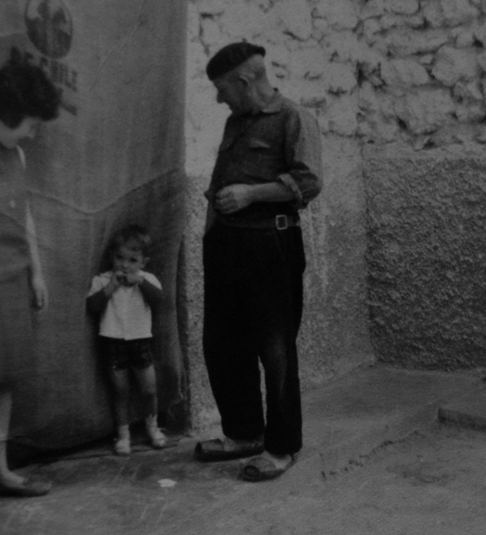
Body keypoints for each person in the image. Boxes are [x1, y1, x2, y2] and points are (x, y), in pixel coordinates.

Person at [195, 41, 323, 481]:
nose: (218, 98)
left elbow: (309, 181)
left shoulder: (294, 118)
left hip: (272, 246)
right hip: (227, 246)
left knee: (275, 350)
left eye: (221, 89)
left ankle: (282, 446)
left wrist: (251, 194)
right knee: (223, 345)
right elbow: (218, 184)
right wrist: (210, 235)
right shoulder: (236, 122)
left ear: (244, 81)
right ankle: (243, 433)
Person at [0, 49, 61, 496]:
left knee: (5, 379)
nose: (35, 134)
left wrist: (36, 271)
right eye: (33, 124)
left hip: (14, 280)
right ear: (11, 112)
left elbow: (27, 216)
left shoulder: (14, 156)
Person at [86, 225, 167, 456]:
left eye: (132, 260)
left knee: (149, 388)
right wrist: (111, 286)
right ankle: (123, 436)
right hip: (113, 341)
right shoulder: (102, 280)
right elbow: (93, 306)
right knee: (120, 389)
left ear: (143, 262)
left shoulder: (147, 279)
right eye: (120, 258)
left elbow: (159, 300)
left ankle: (152, 428)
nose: (124, 265)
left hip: (140, 340)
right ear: (112, 257)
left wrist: (140, 281)